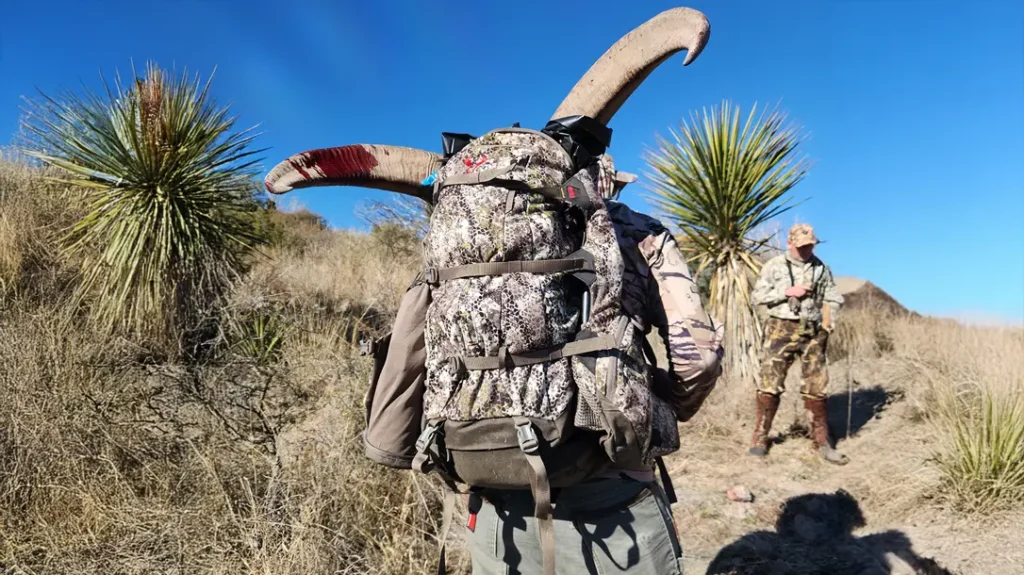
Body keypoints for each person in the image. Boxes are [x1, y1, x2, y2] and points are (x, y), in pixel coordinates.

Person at [463, 163, 725, 575]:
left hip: (492, 481)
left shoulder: (468, 235)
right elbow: (699, 357)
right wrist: (670, 404)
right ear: (608, 183)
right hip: (611, 486)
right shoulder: (639, 232)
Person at [749, 223, 848, 465]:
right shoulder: (774, 266)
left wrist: (828, 321)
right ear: (790, 243)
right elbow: (757, 296)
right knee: (769, 383)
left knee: (818, 386)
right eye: (802, 246)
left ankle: (822, 441)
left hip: (813, 331)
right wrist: (787, 291)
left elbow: (833, 297)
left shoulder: (821, 269)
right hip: (780, 329)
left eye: (810, 246)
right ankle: (760, 437)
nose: (806, 251)